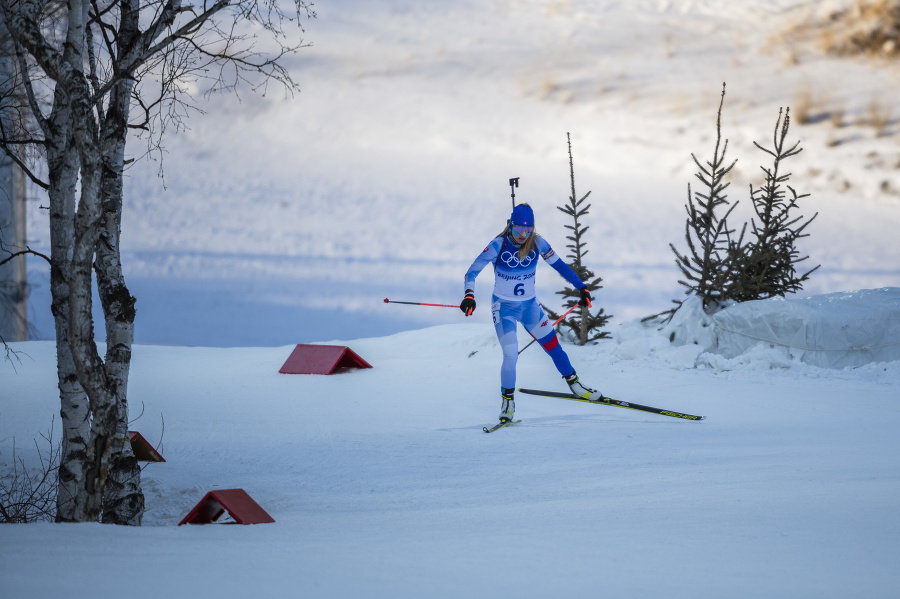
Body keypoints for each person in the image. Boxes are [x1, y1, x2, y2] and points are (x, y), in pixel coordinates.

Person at [461, 203, 601, 423]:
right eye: (518, 230)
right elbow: (472, 272)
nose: (523, 235)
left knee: (554, 348)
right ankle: (507, 401)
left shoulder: (537, 243)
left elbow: (561, 267)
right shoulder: (498, 245)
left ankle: (576, 385)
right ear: (510, 226)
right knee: (510, 354)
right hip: (504, 308)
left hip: (529, 308)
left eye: (528, 230)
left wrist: (581, 287)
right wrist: (469, 295)